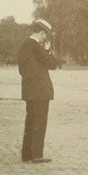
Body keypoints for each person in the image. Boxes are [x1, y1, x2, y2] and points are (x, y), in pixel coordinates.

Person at [17, 19, 58, 163]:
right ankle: (37, 155)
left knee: (30, 121)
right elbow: (53, 64)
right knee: (40, 122)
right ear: (42, 33)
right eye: (45, 36)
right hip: (41, 91)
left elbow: (22, 70)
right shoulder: (38, 48)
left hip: (29, 91)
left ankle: (27, 154)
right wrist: (47, 49)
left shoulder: (24, 46)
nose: (45, 39)